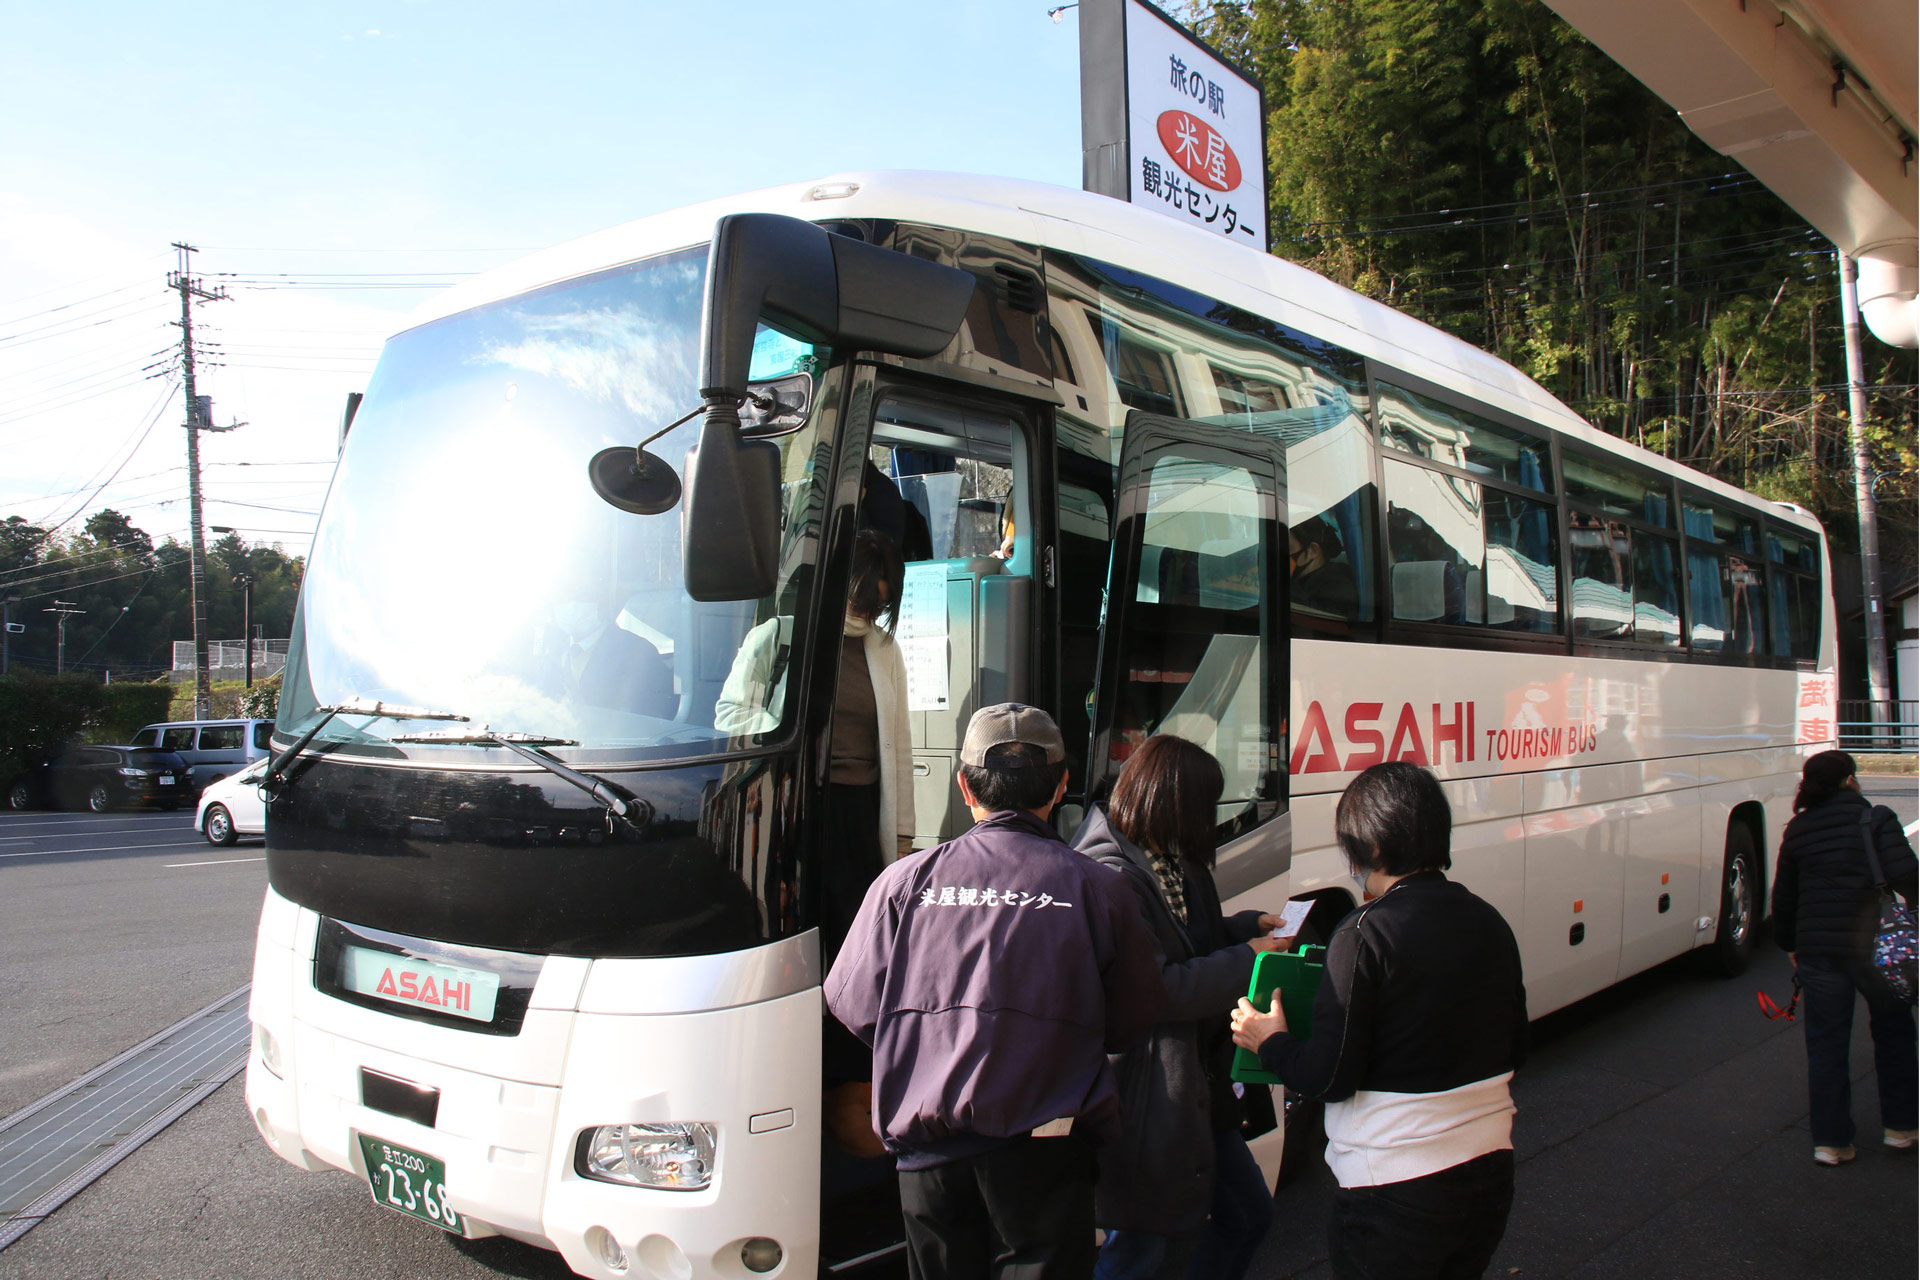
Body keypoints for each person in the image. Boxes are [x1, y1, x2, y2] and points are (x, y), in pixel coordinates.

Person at [825, 703, 1166, 1280]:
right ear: (1060, 786)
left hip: (925, 1153)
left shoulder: (903, 883)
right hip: (1046, 1149)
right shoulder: (1098, 887)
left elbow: (853, 1007)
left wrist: (932, 1040)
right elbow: (1134, 1018)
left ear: (964, 785)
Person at [1231, 761, 1527, 1280]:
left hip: (1395, 1192)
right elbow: (1515, 1045)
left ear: (1369, 849)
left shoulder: (1362, 934)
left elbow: (1328, 1077)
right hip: (1489, 1172)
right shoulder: (1488, 919)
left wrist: (1269, 1041)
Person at [1072, 735, 1287, 1280]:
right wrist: (1245, 958)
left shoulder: (1167, 854)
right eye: (1204, 806)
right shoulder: (1112, 872)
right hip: (1147, 1092)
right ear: (1173, 804)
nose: (1209, 820)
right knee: (1137, 1244)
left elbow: (1187, 939)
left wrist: (1243, 929)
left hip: (1192, 1082)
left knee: (1246, 1215)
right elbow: (1157, 988)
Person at [1770, 749, 1918, 1165]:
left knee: (1826, 1044)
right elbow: (1909, 875)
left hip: (1818, 950)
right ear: (1850, 780)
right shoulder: (1876, 818)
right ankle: (1901, 1129)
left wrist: (1791, 946)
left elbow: (1784, 899)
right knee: (1894, 1033)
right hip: (1877, 948)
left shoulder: (1798, 829)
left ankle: (1831, 1142)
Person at [1289, 515, 1360, 618]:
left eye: (1286, 547)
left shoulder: (1338, 587)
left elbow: (1310, 623)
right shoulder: (1302, 579)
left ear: (1313, 551)